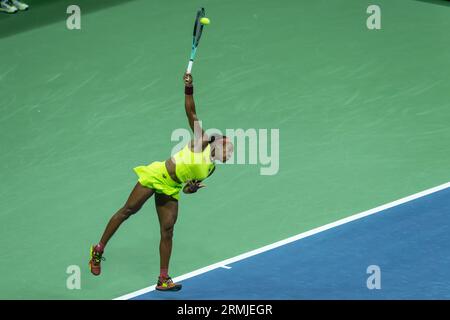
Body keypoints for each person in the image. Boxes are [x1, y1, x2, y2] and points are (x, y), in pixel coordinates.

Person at [89, 72, 234, 291]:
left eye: (230, 150)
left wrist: (191, 189)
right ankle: (98, 250)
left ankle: (163, 279)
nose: (229, 151)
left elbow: (186, 188)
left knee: (168, 230)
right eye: (227, 146)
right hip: (158, 175)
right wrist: (189, 87)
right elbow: (191, 111)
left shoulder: (211, 169)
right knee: (128, 211)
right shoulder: (201, 140)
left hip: (172, 188)